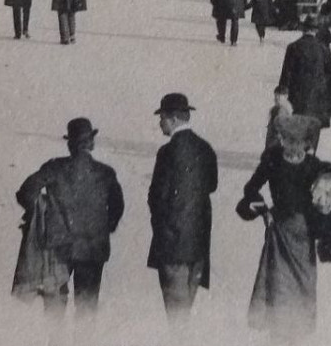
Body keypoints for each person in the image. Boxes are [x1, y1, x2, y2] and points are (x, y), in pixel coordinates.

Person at [237, 114, 331, 340]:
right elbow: (251, 188)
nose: (292, 146)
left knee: (304, 283)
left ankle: (298, 336)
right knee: (279, 285)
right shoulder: (272, 160)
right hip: (279, 232)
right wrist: (264, 211)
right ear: (282, 139)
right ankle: (279, 334)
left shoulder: (315, 166)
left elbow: (328, 195)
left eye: (298, 141)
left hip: (304, 234)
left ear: (307, 143)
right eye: (288, 140)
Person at [14, 117, 125, 317]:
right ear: (91, 143)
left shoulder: (54, 167)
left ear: (69, 144)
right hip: (92, 247)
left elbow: (25, 192)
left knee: (55, 306)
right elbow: (118, 207)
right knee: (87, 306)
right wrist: (104, 227)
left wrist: (41, 212)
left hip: (58, 248)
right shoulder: (106, 172)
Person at [146, 93, 219, 320]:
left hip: (171, 245)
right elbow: (212, 185)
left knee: (175, 314)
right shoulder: (206, 148)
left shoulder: (166, 152)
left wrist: (161, 227)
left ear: (173, 119)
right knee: (186, 308)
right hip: (198, 243)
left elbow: (156, 196)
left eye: (162, 118)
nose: (159, 123)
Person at [277, 15, 331, 120]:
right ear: (316, 30)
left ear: (303, 29)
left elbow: (286, 75)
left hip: (297, 99)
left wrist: (282, 95)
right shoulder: (323, 48)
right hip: (317, 100)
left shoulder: (293, 47)